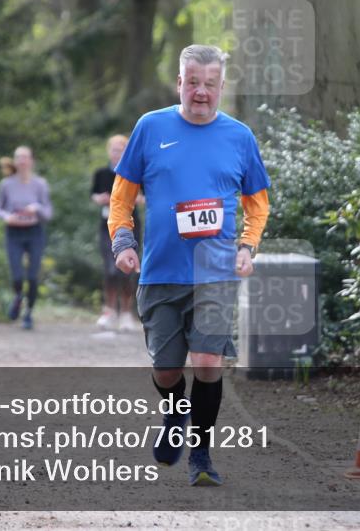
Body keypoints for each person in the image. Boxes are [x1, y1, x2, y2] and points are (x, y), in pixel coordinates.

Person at [108, 44, 270, 486]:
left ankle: (201, 453)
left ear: (221, 87)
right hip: (160, 271)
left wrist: (246, 247)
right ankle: (175, 411)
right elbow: (121, 199)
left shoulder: (239, 136)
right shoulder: (150, 127)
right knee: (165, 369)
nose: (201, 92)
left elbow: (258, 206)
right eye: (193, 83)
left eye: (210, 85)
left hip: (215, 273)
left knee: (207, 361)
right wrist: (123, 241)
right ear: (180, 82)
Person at [0, 146, 53, 330]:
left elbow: (48, 212)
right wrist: (7, 217)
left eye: (25, 157)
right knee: (17, 274)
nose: (22, 161)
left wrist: (36, 208)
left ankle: (28, 314)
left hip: (34, 231)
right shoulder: (6, 184)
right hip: (14, 232)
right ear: (14, 161)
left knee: (33, 276)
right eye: (18, 157)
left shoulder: (40, 184)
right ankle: (19, 296)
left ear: (31, 161)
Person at [91, 135, 142, 332]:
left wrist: (133, 199)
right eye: (114, 149)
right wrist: (101, 199)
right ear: (108, 151)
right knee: (110, 269)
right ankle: (109, 310)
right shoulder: (101, 173)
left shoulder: (135, 172)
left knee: (127, 270)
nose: (117, 152)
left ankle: (127, 313)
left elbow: (144, 196)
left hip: (131, 225)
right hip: (106, 226)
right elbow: (94, 195)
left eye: (121, 149)